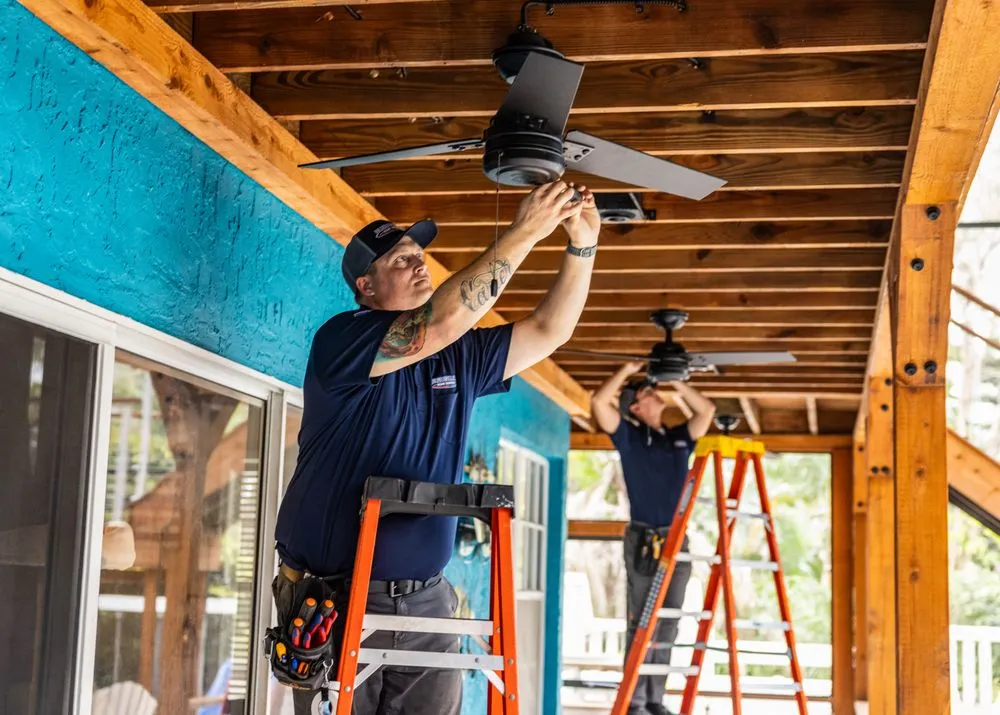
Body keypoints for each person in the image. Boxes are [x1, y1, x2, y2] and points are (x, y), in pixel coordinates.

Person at [274, 181, 600, 715]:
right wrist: (525, 231)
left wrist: (582, 247)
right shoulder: (342, 340)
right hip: (338, 598)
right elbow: (439, 324)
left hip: (428, 601)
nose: (418, 263)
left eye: (419, 255)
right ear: (366, 286)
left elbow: (549, 330)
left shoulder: (459, 354)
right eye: (400, 260)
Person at [591, 363, 716, 715]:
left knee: (669, 620)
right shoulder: (629, 438)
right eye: (648, 392)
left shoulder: (677, 439)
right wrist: (625, 370)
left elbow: (706, 411)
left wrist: (677, 381)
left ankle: (654, 700)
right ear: (635, 407)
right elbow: (599, 402)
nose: (656, 392)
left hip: (677, 541)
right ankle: (635, 701)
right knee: (643, 621)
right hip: (646, 541)